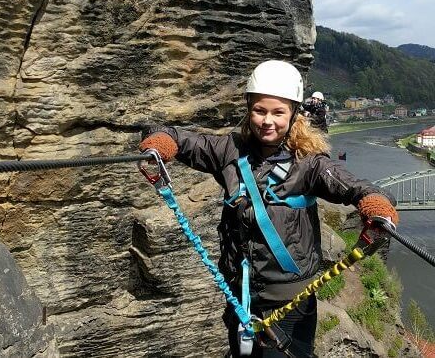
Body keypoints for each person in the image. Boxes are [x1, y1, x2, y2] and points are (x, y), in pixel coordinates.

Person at [139, 60, 398, 357]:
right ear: (249, 110)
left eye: (278, 112)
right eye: (260, 111)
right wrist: (162, 140)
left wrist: (375, 203)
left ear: (293, 115)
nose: (267, 121)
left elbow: (352, 185)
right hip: (240, 294)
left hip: (291, 302)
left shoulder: (309, 164)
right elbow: (182, 140)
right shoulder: (230, 151)